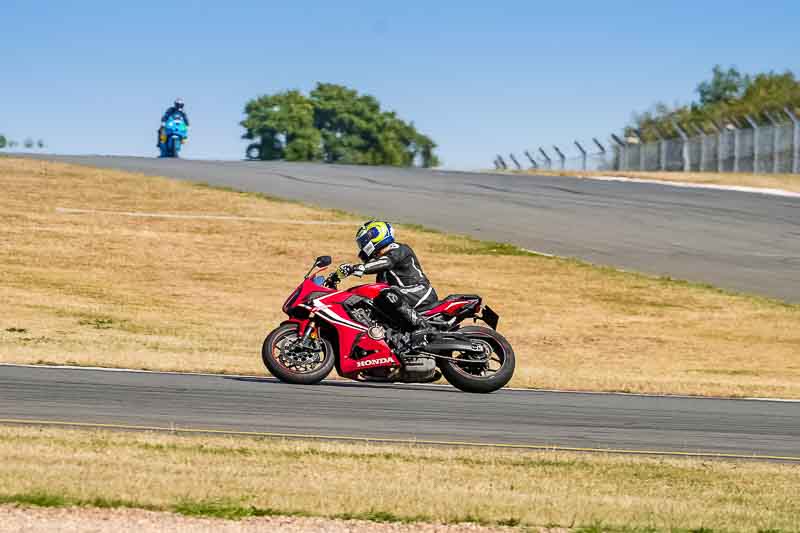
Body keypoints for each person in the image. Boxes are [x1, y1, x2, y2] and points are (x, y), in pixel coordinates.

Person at [337, 221, 438, 344]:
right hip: (405, 297)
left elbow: (387, 262)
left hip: (420, 291)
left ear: (377, 236)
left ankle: (423, 326)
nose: (362, 246)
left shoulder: (398, 249)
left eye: (364, 241)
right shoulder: (381, 268)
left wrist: (357, 268)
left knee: (386, 293)